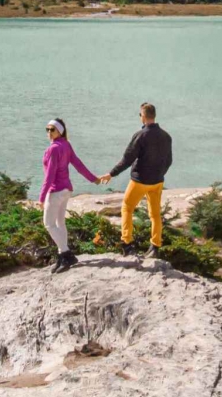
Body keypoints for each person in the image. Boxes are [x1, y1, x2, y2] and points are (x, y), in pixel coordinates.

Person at [102, 102, 173, 260]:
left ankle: (127, 244)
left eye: (140, 115)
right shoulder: (166, 136)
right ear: (154, 115)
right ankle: (155, 247)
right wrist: (159, 174)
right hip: (157, 182)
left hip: (140, 181)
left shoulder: (140, 135)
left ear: (143, 116)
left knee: (127, 208)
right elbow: (169, 161)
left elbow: (127, 160)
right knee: (155, 215)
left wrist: (111, 174)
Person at [40, 118, 100, 274]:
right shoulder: (66, 145)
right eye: (47, 129)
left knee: (48, 224)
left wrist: (41, 197)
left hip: (56, 191)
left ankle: (67, 254)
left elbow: (50, 176)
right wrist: (93, 179)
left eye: (52, 129)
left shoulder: (53, 149)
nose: (49, 132)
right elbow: (78, 164)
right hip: (67, 190)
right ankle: (62, 256)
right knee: (60, 222)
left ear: (60, 131)